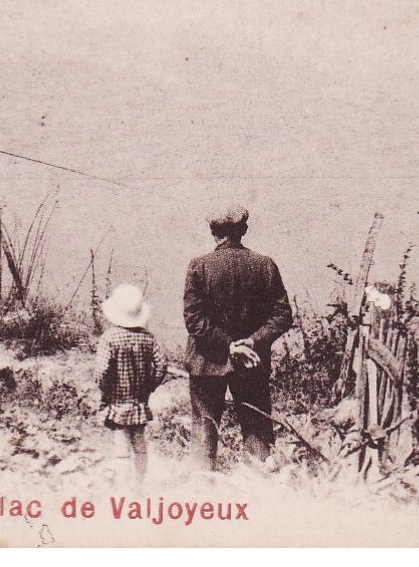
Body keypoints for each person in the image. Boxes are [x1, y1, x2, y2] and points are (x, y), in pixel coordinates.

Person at [182, 205, 294, 470]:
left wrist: (228, 345)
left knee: (204, 431)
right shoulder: (265, 265)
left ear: (213, 232)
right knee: (257, 430)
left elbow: (194, 321)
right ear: (243, 230)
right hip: (251, 363)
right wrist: (251, 342)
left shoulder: (199, 267)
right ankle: (262, 487)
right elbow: (282, 315)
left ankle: (202, 491)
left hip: (207, 363)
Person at [95, 284, 168, 479]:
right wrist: (149, 386)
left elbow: (102, 372)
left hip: (118, 401)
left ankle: (123, 489)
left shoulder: (109, 338)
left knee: (121, 450)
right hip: (139, 401)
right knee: (139, 445)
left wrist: (107, 390)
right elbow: (162, 365)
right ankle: (139, 484)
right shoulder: (148, 338)